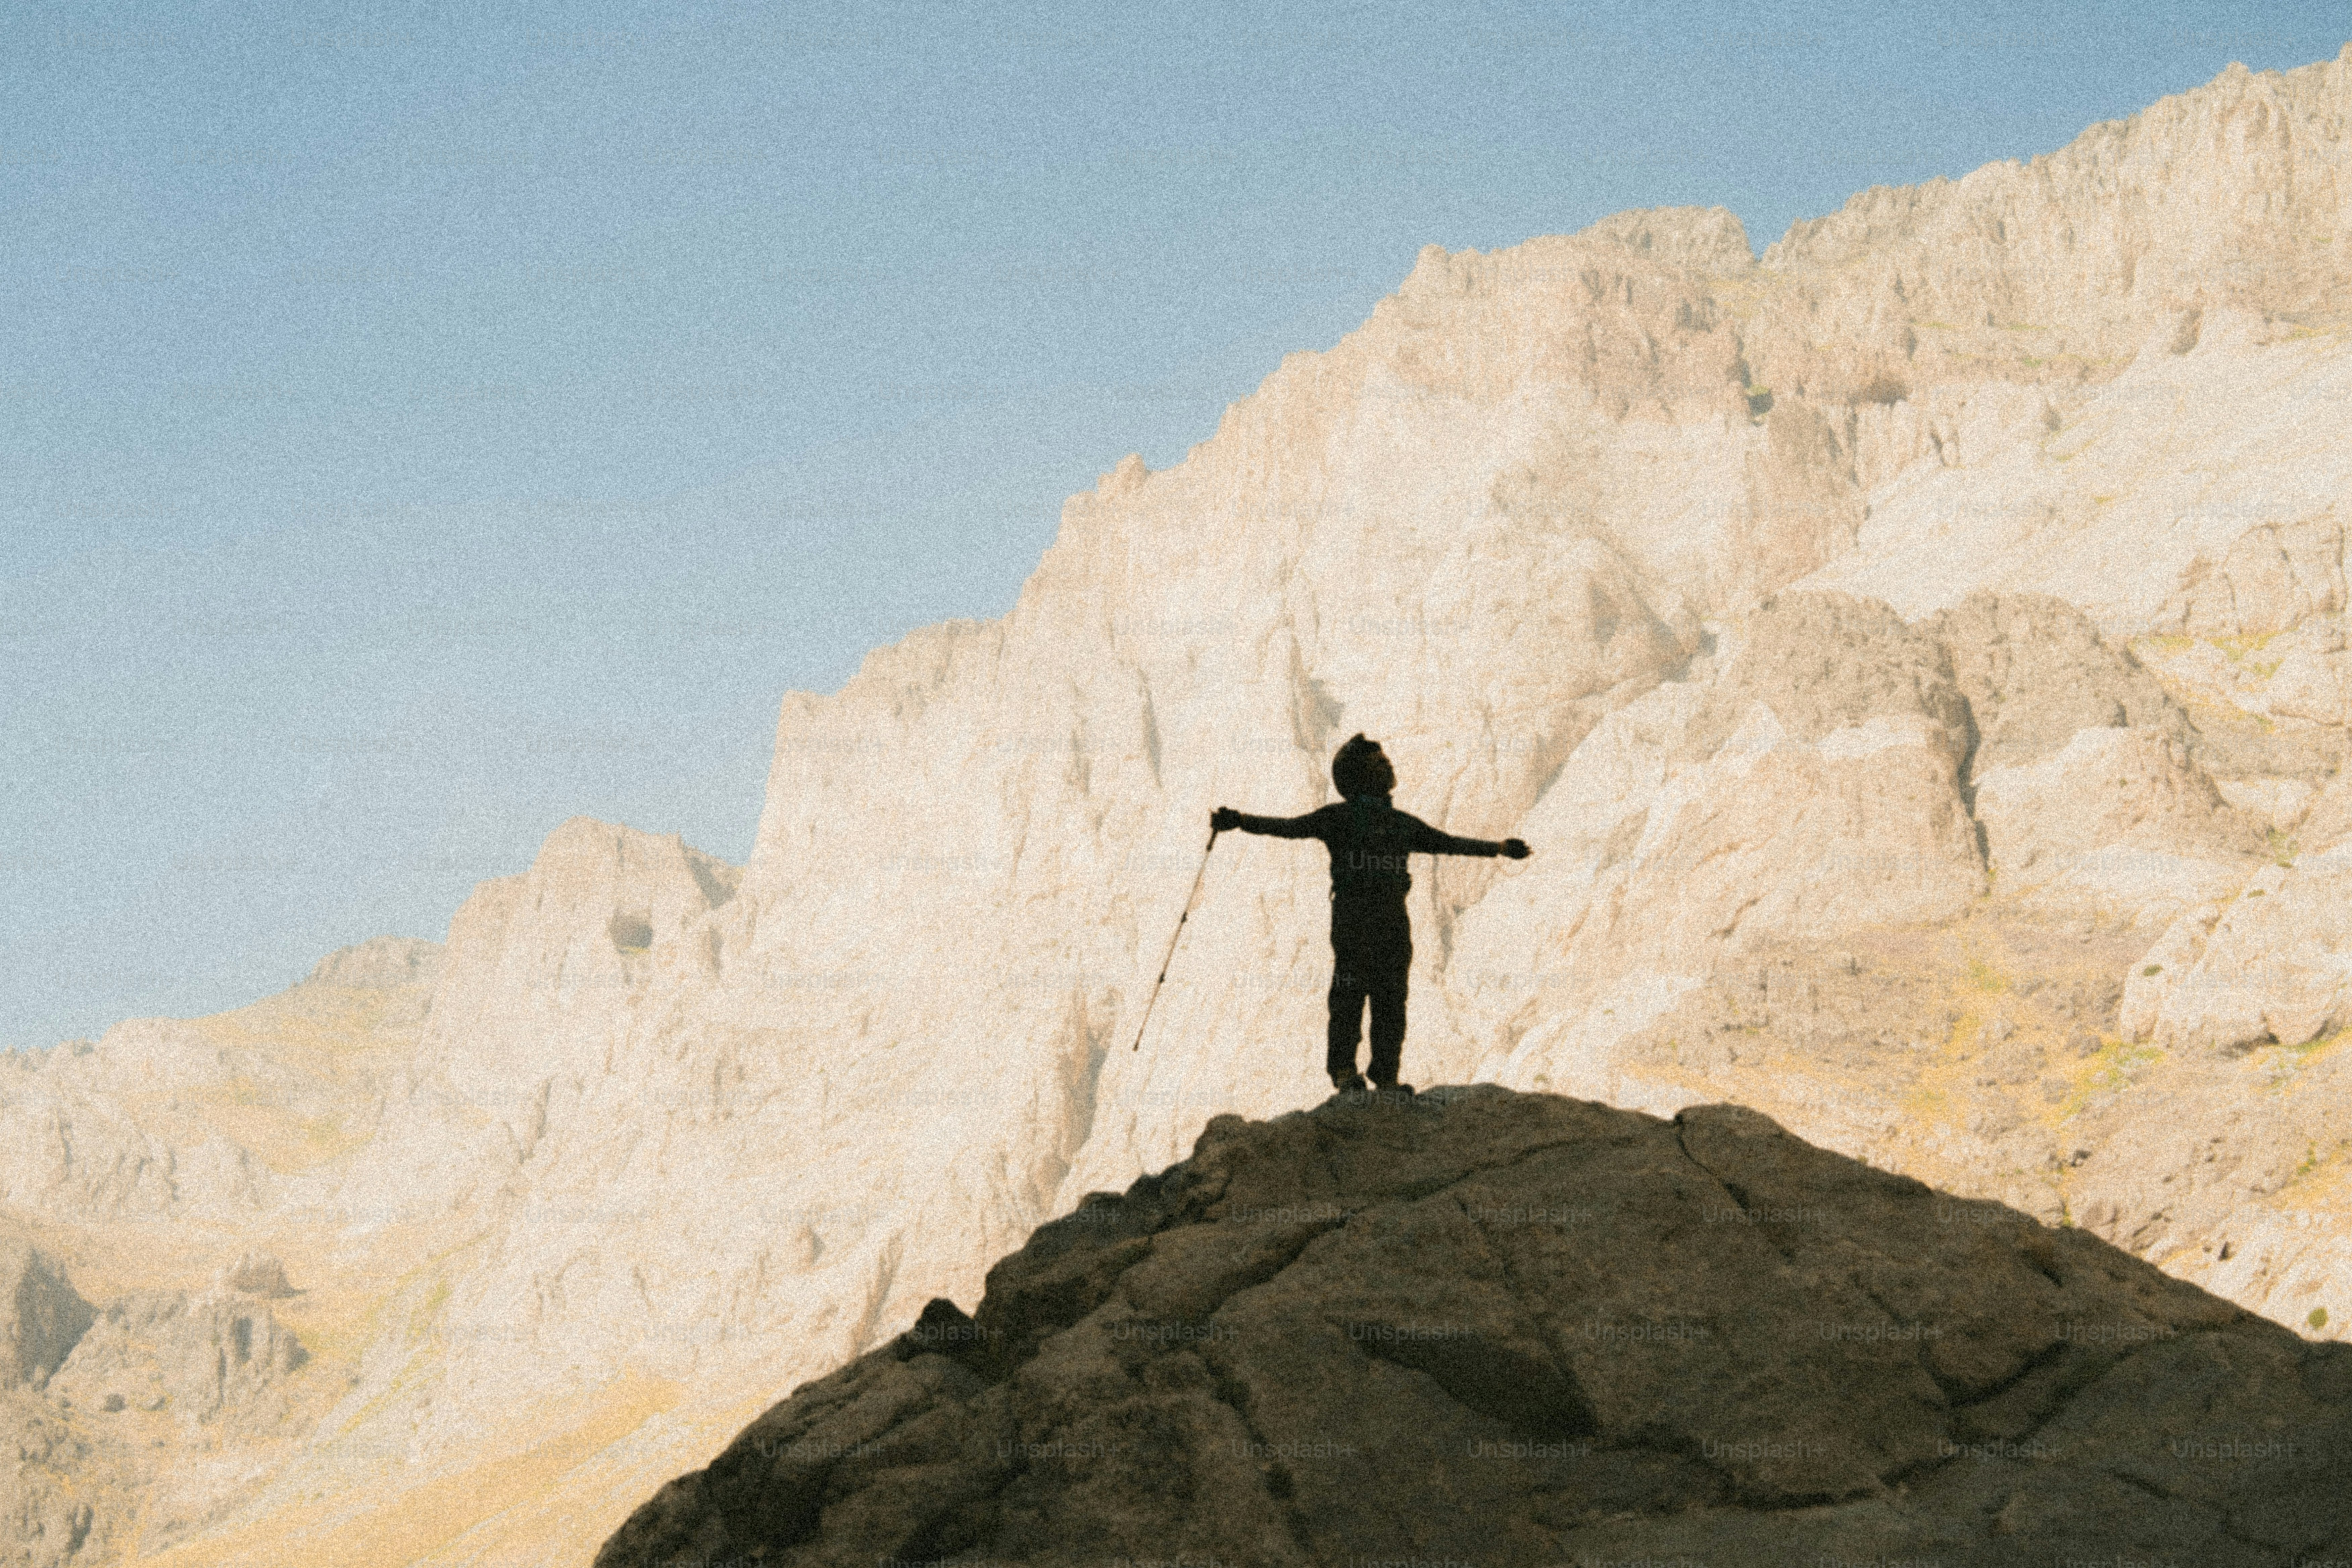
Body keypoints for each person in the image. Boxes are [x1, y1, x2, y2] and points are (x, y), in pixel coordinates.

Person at [1211, 734, 1530, 1098]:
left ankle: (1351, 1071)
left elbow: (1289, 828)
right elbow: (1449, 843)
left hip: (1363, 917)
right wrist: (1500, 849)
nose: (1389, 766)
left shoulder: (1346, 819)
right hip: (1381, 917)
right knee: (1386, 996)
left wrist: (1239, 821)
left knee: (1363, 993)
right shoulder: (1394, 824)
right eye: (1380, 763)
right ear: (1361, 776)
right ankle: (1381, 1075)